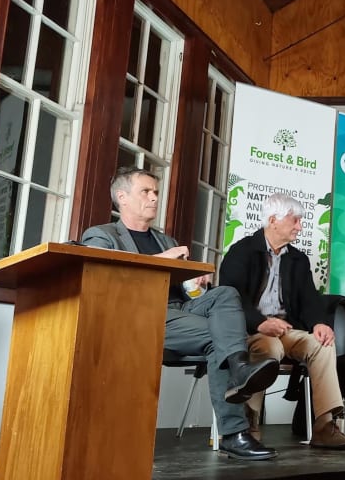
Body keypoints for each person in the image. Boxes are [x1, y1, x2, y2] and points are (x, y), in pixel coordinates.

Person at [81, 167, 279, 461]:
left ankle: (238, 369)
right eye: (145, 192)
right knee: (221, 339)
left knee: (225, 294)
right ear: (121, 197)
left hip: (179, 312)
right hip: (138, 316)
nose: (153, 198)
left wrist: (196, 285)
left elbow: (189, 295)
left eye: (156, 192)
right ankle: (235, 433)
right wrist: (163, 261)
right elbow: (102, 276)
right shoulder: (101, 235)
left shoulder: (167, 241)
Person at [218, 193, 345, 449]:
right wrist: (260, 322)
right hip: (252, 330)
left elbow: (310, 301)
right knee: (270, 348)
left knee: (322, 344)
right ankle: (248, 427)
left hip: (287, 329)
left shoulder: (298, 259)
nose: (300, 226)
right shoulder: (242, 251)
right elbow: (229, 298)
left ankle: (325, 427)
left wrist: (319, 323)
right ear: (273, 220)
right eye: (295, 221)